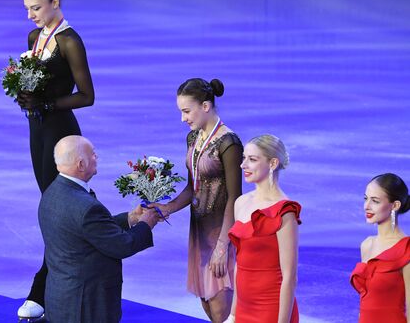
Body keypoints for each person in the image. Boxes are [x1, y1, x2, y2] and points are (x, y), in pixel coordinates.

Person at [16, 0, 95, 320]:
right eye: (27, 9)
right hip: (38, 132)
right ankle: (61, 282)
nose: (31, 15)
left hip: (61, 133)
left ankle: (41, 289)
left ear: (55, 2)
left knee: (58, 211)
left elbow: (87, 96)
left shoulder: (69, 41)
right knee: (51, 210)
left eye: (36, 8)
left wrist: (48, 103)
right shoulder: (35, 38)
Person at [39, 135, 159, 322]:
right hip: (87, 306)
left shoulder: (52, 192)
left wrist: (130, 218)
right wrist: (146, 223)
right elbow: (122, 245)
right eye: (93, 154)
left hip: (61, 299)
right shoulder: (85, 206)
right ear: (80, 164)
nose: (97, 158)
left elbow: (88, 230)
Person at [151, 78, 242, 322]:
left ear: (205, 106)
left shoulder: (229, 143)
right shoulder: (194, 138)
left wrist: (223, 246)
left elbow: (235, 197)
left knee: (221, 310)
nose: (183, 119)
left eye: (186, 111)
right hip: (199, 232)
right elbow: (193, 187)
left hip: (221, 234)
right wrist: (168, 207)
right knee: (206, 303)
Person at [226, 134, 300, 323]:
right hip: (243, 309)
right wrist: (233, 314)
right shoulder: (241, 203)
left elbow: (289, 276)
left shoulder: (285, 212)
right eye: (244, 158)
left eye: (252, 159)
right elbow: (239, 265)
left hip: (271, 310)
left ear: (273, 163)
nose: (243, 165)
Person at [350, 173, 410, 323]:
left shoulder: (406, 249)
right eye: (366, 199)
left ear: (395, 205)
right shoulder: (366, 245)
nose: (366, 206)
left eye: (375, 201)